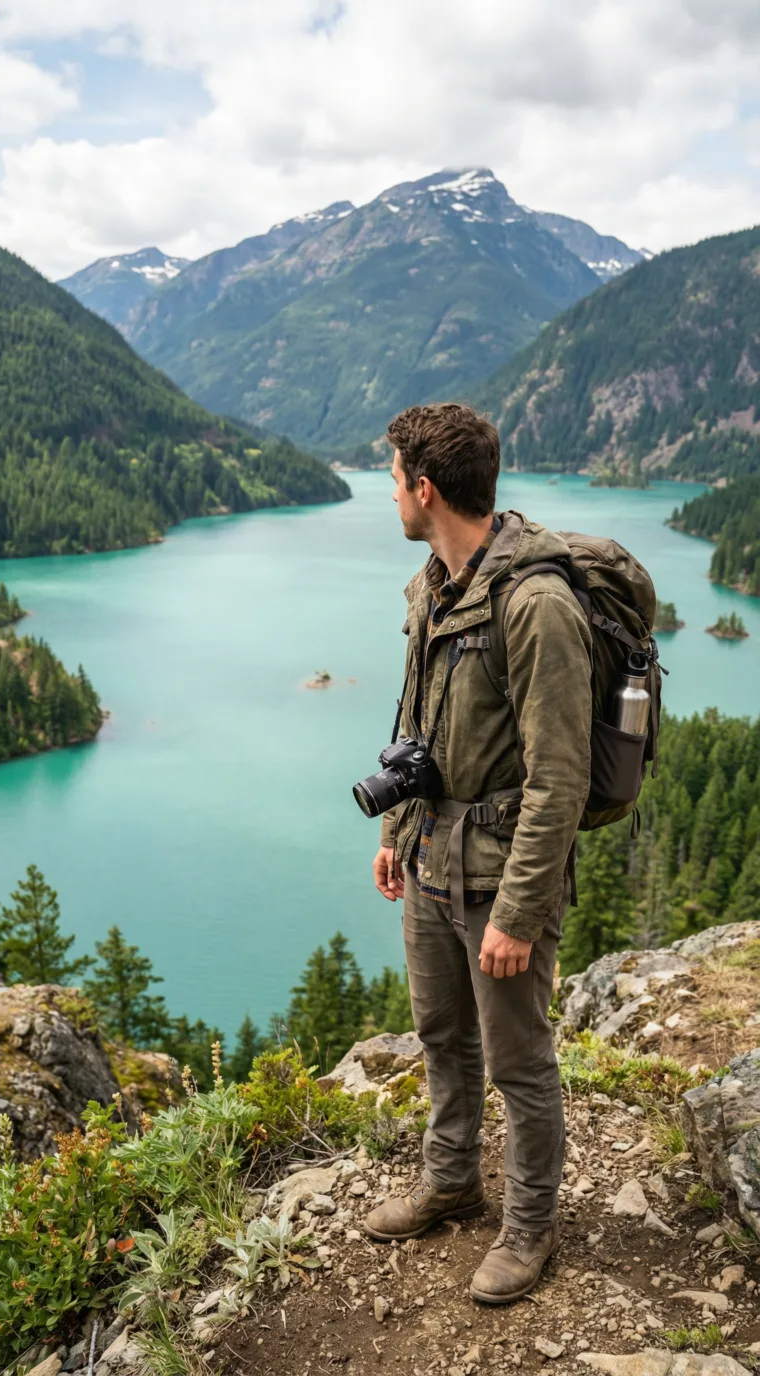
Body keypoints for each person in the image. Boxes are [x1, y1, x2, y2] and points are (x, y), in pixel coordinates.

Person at [364, 402, 592, 1304]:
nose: (389, 494)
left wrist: (520, 912)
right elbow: (418, 721)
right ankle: (452, 1180)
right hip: (429, 856)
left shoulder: (535, 606)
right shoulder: (434, 582)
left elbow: (560, 780)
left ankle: (530, 1227)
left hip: (498, 878)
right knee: (440, 1035)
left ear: (425, 489)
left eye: (391, 480)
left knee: (520, 1062)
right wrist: (394, 831)